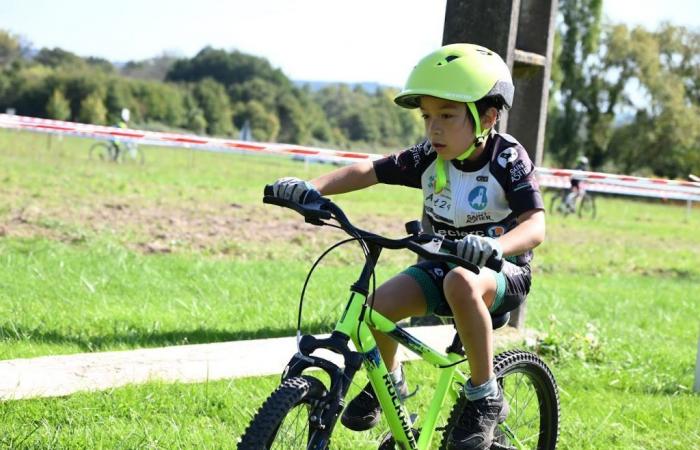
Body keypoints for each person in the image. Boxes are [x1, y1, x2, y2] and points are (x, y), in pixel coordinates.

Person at [270, 43, 545, 450]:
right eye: (427, 116)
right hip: (442, 265)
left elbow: (536, 225)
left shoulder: (506, 159)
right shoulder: (429, 157)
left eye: (447, 117)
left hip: (502, 272)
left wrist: (498, 247)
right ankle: (394, 386)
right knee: (376, 307)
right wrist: (312, 188)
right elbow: (369, 170)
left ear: (487, 117)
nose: (433, 128)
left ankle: (485, 394)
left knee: (461, 282)